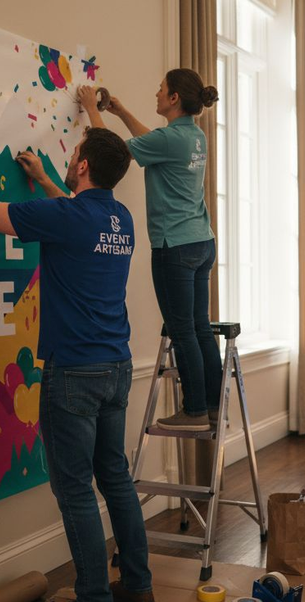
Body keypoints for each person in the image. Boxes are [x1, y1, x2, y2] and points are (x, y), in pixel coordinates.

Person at [0, 126, 154, 602]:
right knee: (115, 478)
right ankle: (137, 588)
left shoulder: (68, 217)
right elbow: (77, 214)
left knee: (75, 489)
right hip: (117, 367)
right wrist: (47, 179)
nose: (68, 155)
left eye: (73, 152)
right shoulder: (119, 218)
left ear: (81, 166)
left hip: (74, 371)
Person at [79, 70, 221, 432]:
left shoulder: (172, 139)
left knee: (182, 329)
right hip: (201, 241)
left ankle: (194, 411)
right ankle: (215, 404)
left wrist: (88, 109)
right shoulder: (193, 136)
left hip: (174, 245)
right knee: (200, 327)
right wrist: (120, 110)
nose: (156, 93)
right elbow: (152, 142)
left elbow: (112, 151)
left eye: (161, 90)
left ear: (173, 98)